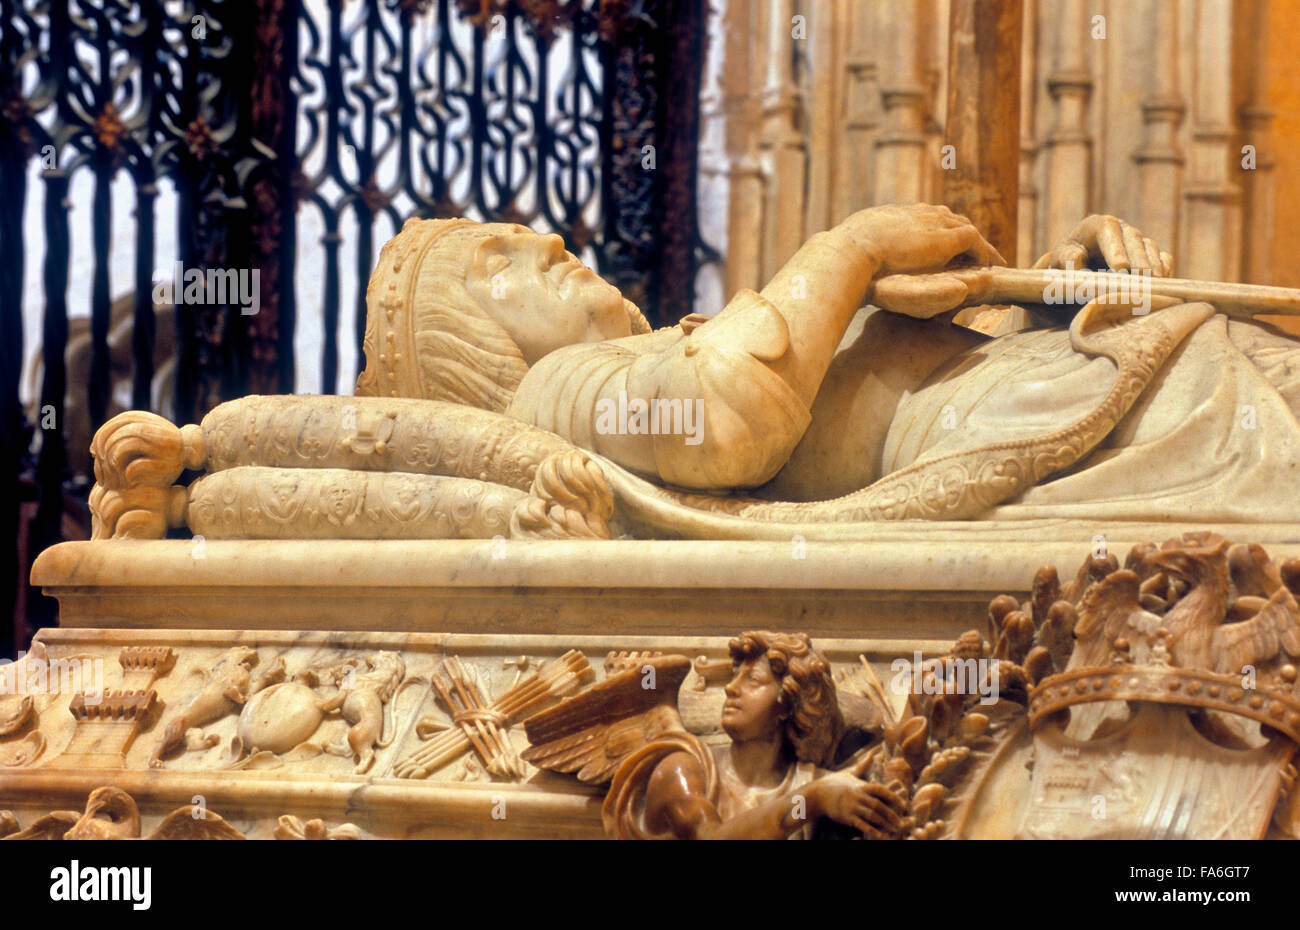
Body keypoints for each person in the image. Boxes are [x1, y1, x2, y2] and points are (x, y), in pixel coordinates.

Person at [630, 631, 904, 840]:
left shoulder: (811, 780)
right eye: (734, 677)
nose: (731, 689)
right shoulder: (684, 769)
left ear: (788, 704)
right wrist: (815, 798)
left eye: (752, 681)